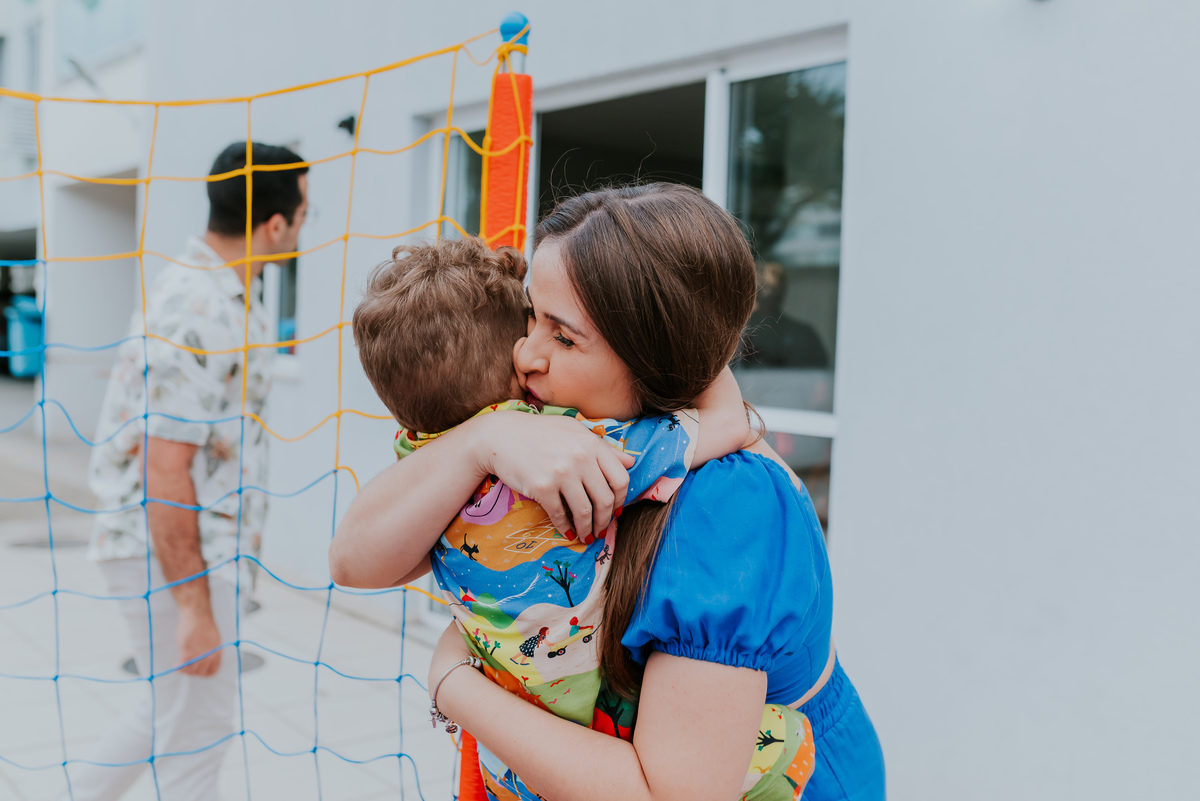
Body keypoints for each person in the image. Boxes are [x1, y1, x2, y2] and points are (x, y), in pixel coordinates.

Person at [332, 184, 885, 800]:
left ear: (654, 363)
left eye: (565, 338)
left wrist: (453, 684)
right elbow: (353, 561)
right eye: (532, 315)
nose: (525, 354)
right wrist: (480, 440)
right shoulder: (533, 440)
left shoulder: (725, 499)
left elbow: (672, 795)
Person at [77, 142, 308, 801]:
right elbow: (164, 469)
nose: (303, 231)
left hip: (184, 549)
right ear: (275, 224)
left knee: (166, 715)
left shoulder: (229, 294)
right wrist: (194, 606)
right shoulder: (198, 307)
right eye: (303, 216)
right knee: (198, 733)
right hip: (171, 553)